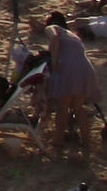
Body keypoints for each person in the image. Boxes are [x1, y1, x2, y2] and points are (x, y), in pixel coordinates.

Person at [38, 12, 102, 150]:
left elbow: (54, 37)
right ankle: (86, 141)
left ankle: (58, 139)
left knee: (63, 107)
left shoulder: (53, 28)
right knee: (78, 108)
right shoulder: (73, 36)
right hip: (85, 69)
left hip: (68, 69)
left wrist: (54, 60)